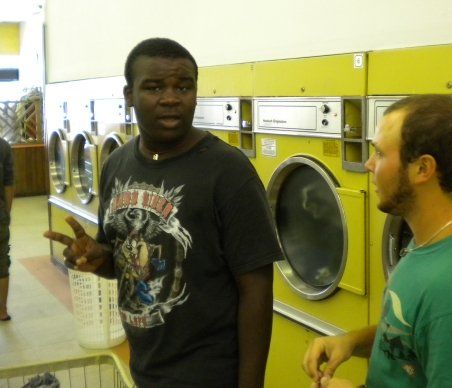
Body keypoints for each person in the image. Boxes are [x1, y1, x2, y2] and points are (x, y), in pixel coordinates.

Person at [44, 37, 282, 387]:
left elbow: (257, 289)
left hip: (211, 375)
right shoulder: (116, 165)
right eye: (154, 87)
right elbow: (123, 265)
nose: (171, 98)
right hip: (146, 367)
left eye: (183, 87)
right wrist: (96, 258)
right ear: (129, 95)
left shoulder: (228, 172)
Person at [303, 95, 452, 388]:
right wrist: (350, 342)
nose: (368, 164)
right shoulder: (432, 243)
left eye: (380, 153)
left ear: (423, 169)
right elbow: (413, 336)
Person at [0, 136, 14, 321]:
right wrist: (6, 213)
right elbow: (8, 184)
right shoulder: (3, 146)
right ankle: (2, 311)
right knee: (1, 262)